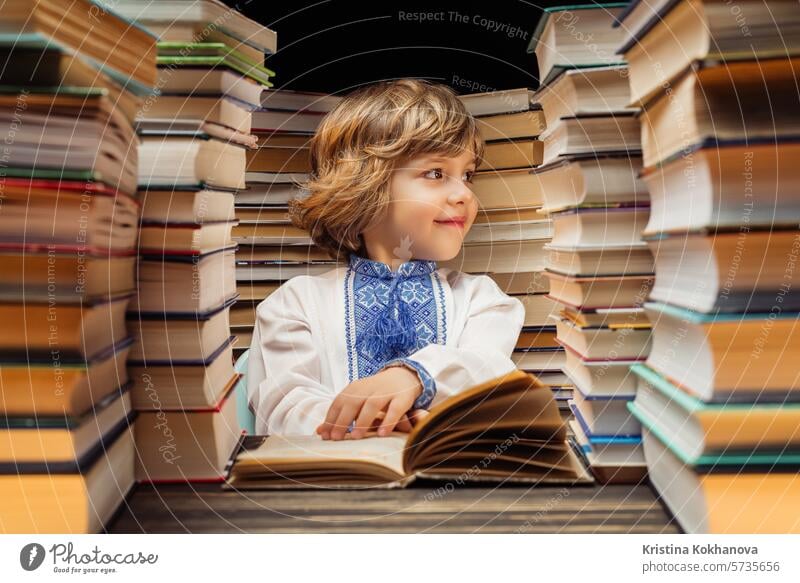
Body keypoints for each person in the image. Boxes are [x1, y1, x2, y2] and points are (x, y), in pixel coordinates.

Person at [247, 78, 525, 439]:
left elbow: (486, 369)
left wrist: (412, 376)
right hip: (328, 486)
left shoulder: (483, 301)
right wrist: (369, 419)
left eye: (468, 175)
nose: (464, 195)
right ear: (364, 187)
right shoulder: (294, 304)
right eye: (436, 173)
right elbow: (283, 405)